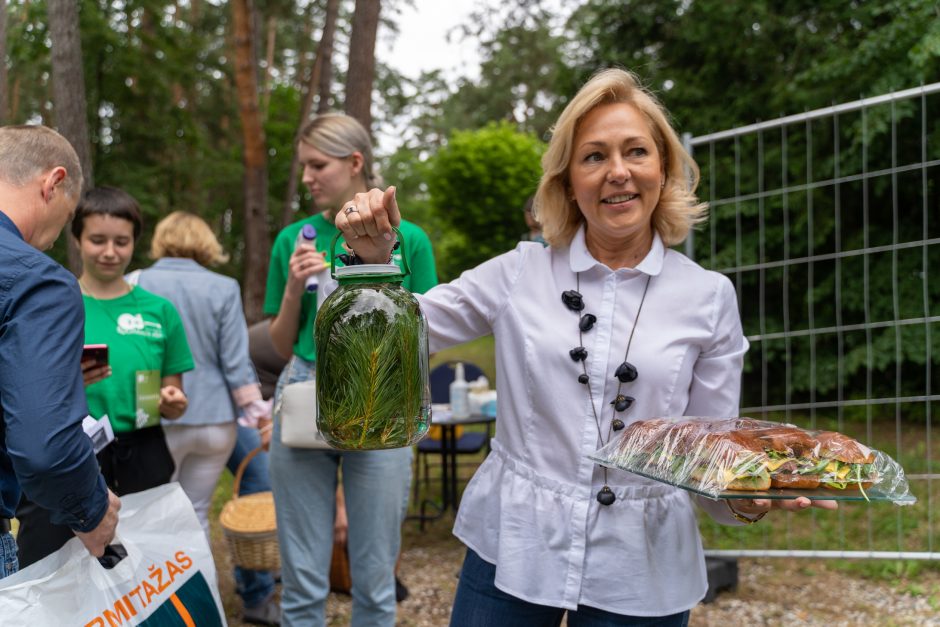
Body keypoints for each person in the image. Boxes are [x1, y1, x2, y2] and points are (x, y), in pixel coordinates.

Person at [333, 68, 838, 625]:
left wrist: (748, 496)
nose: (618, 172)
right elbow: (391, 341)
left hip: (641, 566)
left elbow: (708, 456)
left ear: (663, 168)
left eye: (636, 152)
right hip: (515, 545)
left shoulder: (708, 297)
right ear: (568, 181)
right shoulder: (518, 272)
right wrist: (372, 263)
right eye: (594, 156)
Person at [265, 112, 437, 626]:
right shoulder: (292, 239)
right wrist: (296, 288)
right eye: (304, 167)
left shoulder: (411, 239)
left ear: (355, 162)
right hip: (303, 388)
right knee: (300, 578)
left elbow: (429, 331)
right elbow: (278, 342)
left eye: (317, 165)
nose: (307, 177)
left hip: (382, 401)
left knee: (375, 575)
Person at [15, 186, 194, 567]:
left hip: (144, 454)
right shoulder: (52, 300)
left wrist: (173, 402)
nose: (110, 252)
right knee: (52, 564)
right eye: (97, 240)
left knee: (146, 566)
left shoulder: (159, 310)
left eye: (121, 241)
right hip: (70, 452)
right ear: (77, 239)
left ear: (135, 244)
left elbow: (174, 393)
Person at [129, 211, 279, 624]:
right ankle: (206, 609)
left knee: (151, 520)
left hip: (159, 418)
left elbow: (135, 355)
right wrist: (256, 412)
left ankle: (158, 613)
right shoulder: (223, 286)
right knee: (195, 515)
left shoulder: (136, 282)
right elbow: (236, 363)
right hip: (216, 422)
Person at [0, 125, 120, 577]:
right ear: (53, 183)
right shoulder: (37, 279)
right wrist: (91, 512)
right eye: (67, 219)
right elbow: (45, 449)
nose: (52, 240)